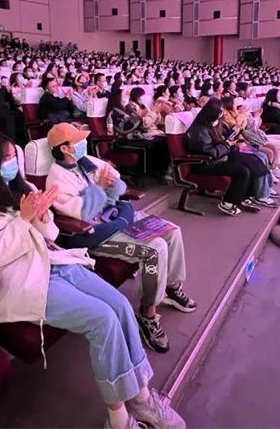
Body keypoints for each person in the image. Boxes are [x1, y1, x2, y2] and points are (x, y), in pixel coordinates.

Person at [0, 133, 184, 429]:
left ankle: (141, 397)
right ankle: (117, 418)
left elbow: (52, 235)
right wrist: (23, 220)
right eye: (6, 158)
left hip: (54, 261)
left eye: (14, 156)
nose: (13, 162)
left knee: (119, 305)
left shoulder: (25, 188)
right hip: (21, 278)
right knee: (102, 319)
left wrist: (42, 216)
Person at [46, 123, 195, 354]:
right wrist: (99, 188)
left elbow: (120, 186)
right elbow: (82, 213)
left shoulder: (88, 161)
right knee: (154, 249)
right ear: (65, 148)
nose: (83, 144)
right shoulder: (56, 180)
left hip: (116, 216)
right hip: (96, 232)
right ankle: (147, 313)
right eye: (77, 141)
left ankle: (172, 286)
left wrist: (112, 185)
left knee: (172, 231)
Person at [185, 99, 267, 216]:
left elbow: (219, 140)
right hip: (207, 164)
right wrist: (227, 145)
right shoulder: (199, 130)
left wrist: (232, 134)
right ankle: (228, 203)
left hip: (220, 157)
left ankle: (244, 196)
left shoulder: (213, 124)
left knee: (252, 161)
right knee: (243, 171)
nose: (222, 114)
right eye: (221, 112)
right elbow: (209, 152)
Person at [107, 89, 169, 182]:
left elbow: (141, 123)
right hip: (122, 140)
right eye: (125, 95)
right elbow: (127, 128)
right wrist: (150, 112)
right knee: (151, 145)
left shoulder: (127, 109)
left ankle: (158, 172)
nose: (127, 97)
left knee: (162, 142)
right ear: (117, 98)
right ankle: (143, 173)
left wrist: (154, 112)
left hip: (134, 136)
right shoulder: (115, 112)